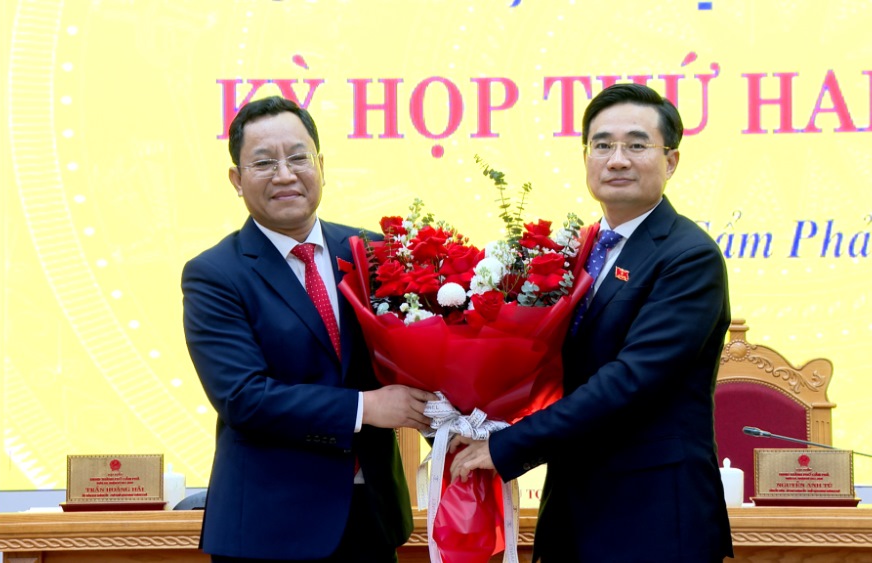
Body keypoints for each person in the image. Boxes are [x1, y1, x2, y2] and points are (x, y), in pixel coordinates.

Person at [450, 83, 734, 562]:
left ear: (671, 160)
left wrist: (508, 444)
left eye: (636, 144)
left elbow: (630, 380)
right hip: (573, 510)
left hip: (654, 517)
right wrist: (475, 412)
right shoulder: (576, 251)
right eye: (602, 144)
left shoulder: (689, 256)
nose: (617, 159)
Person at [182, 95, 435, 563]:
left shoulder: (372, 252)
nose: (285, 174)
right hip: (269, 530)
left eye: (299, 157)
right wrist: (366, 408)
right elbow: (244, 397)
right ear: (237, 180)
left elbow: (420, 360)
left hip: (372, 518)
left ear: (321, 164)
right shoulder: (215, 274)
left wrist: (465, 427)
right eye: (263, 162)